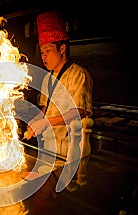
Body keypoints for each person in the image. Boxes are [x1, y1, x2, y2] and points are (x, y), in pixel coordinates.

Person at [25, 10, 93, 192]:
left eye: (48, 51)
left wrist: (45, 122)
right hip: (48, 146)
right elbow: (44, 107)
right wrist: (36, 120)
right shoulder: (48, 78)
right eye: (42, 52)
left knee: (68, 194)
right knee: (45, 191)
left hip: (70, 149)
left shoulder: (78, 74)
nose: (43, 56)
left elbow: (79, 111)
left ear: (62, 49)